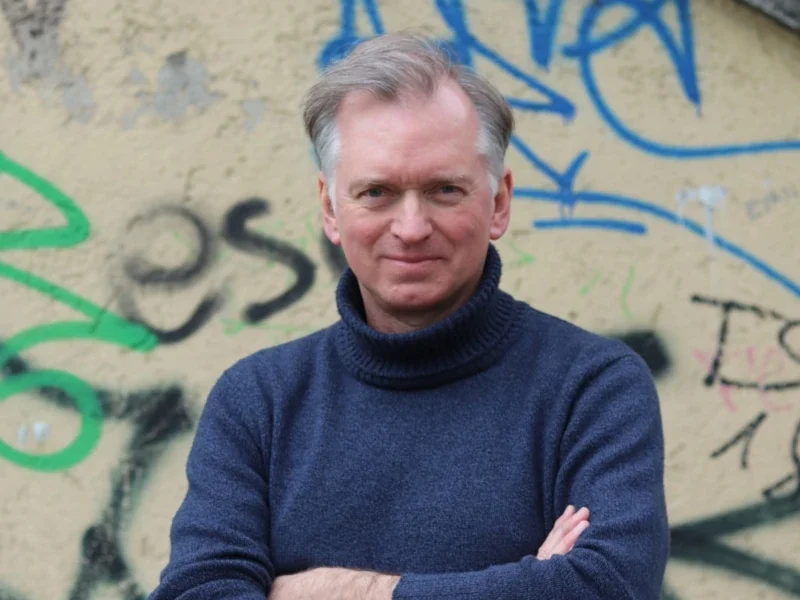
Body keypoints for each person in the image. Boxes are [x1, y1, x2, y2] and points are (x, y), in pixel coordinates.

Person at [149, 32, 669, 600]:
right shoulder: (260, 401)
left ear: (498, 203)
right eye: (377, 192)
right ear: (330, 209)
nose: (412, 227)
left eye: (445, 189)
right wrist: (527, 584)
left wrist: (335, 591)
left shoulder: (592, 387)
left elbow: (606, 587)